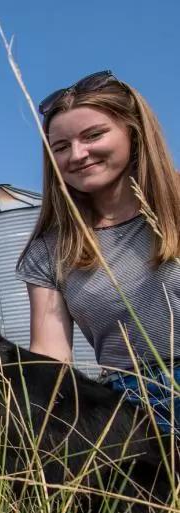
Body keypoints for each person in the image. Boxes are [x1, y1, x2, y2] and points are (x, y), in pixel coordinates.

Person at [16, 71, 180, 432]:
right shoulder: (49, 251)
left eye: (93, 135)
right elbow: (51, 359)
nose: (78, 154)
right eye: (61, 147)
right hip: (133, 409)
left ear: (133, 132)